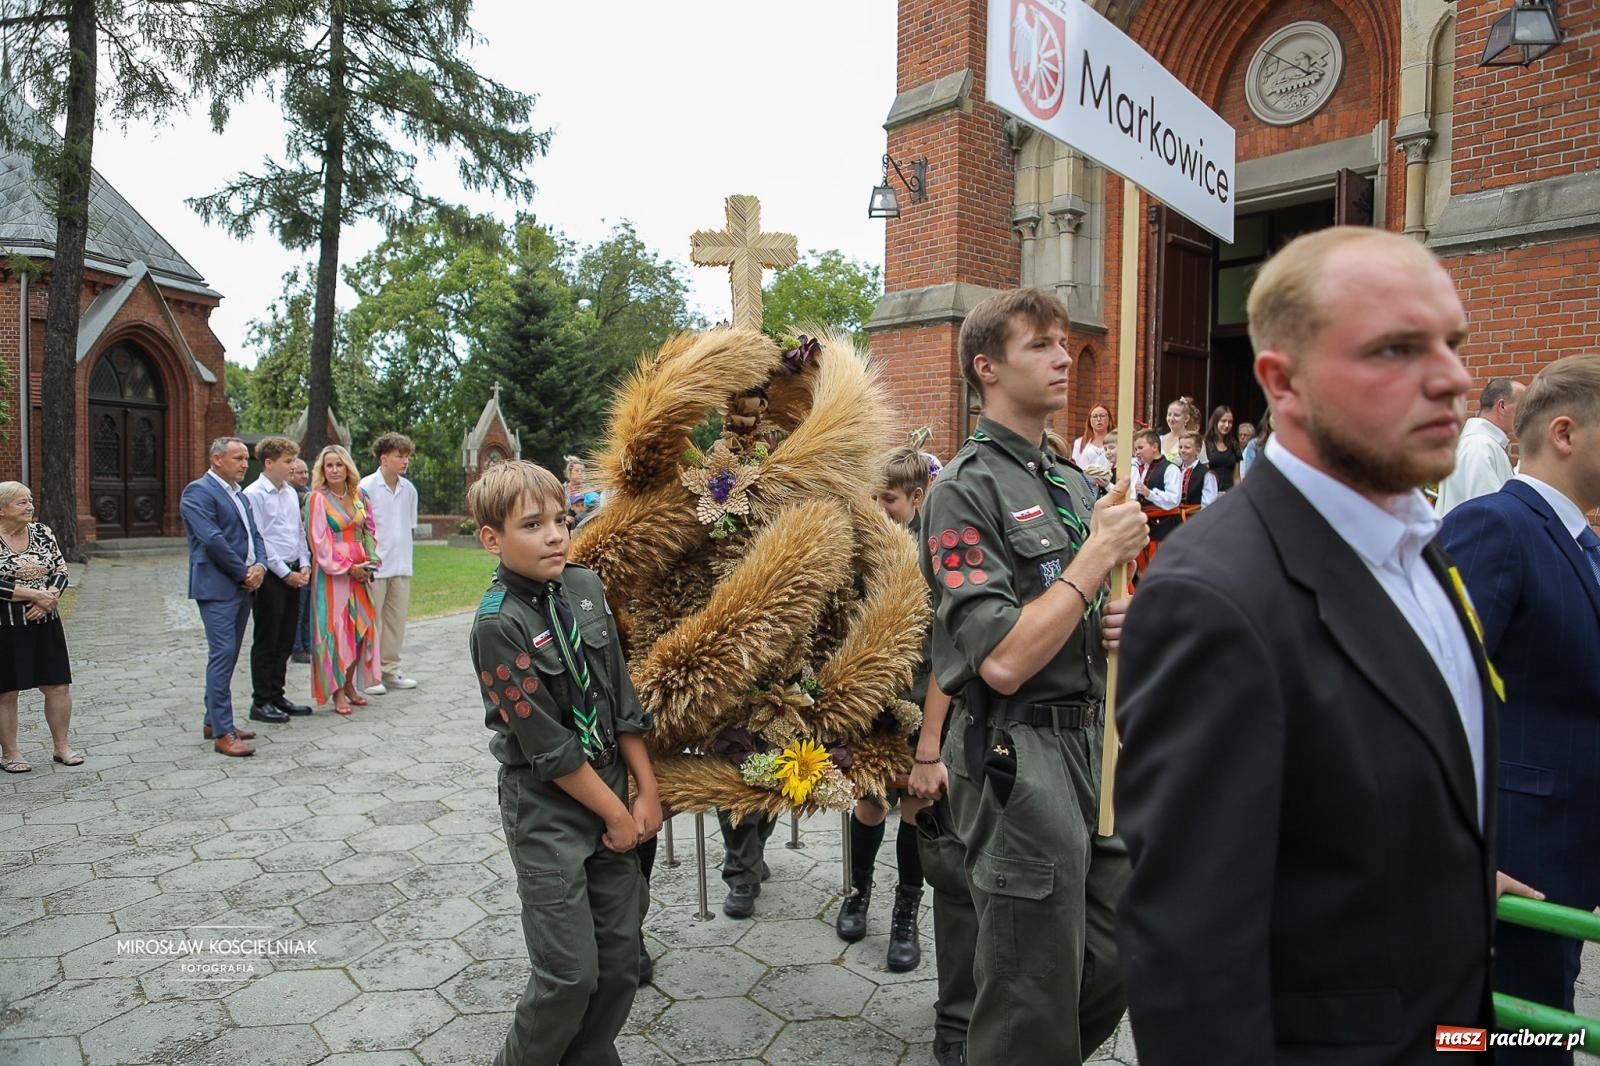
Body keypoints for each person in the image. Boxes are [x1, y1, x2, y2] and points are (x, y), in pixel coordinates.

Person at [1115, 227, 1499, 1064]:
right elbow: (1192, 964)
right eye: (1396, 349)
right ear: (1281, 382)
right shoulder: (1211, 600)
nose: (1454, 379)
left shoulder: (1422, 541)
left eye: (1452, 343)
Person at [919, 287, 1148, 1064]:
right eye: (1040, 344)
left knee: (1113, 956)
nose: (1063, 357)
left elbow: (1074, 612)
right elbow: (1005, 660)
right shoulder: (961, 490)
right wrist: (1094, 562)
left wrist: (1118, 619)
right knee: (1028, 995)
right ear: (986, 368)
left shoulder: (1070, 481)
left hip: (1097, 745)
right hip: (1020, 757)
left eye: (1064, 342)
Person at [466, 459, 660, 1066]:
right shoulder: (498, 624)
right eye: (532, 524)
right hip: (548, 804)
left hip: (609, 781)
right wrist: (617, 816)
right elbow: (548, 749)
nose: (555, 534)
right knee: (569, 974)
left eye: (560, 519)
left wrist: (646, 792)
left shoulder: (585, 587)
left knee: (621, 959)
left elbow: (621, 697)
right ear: (492, 540)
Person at [1440, 354, 1600, 1065]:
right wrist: (1468, 850)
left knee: (1542, 1033)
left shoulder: (1581, 542)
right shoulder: (1495, 526)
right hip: (1515, 858)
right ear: (1564, 433)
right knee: (1504, 1042)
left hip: (1565, 857)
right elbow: (1442, 693)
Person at [836, 447, 934, 972]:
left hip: (918, 696)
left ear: (917, 498)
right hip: (871, 700)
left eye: (889, 499)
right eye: (873, 497)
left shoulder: (931, 552)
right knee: (871, 802)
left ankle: (906, 914)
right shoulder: (865, 550)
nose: (879, 509)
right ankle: (857, 891)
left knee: (914, 805)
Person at [180, 437, 266, 758]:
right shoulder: (198, 492)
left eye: (246, 458)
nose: (245, 464)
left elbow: (254, 534)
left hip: (244, 584)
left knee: (229, 656)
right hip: (218, 586)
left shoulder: (239, 495)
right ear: (217, 459)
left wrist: (260, 565)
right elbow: (212, 540)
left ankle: (212, 721)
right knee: (222, 654)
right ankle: (223, 733)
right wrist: (243, 572)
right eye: (238, 458)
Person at [0, 482, 80, 771]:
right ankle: (11, 753)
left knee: (58, 685)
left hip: (45, 620)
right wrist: (35, 594)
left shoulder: (42, 532)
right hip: (5, 624)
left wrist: (50, 598)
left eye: (30, 500)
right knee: (6, 690)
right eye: (21, 502)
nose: (30, 506)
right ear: (1, 510)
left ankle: (62, 747)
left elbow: (60, 569)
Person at [242, 437, 313, 725]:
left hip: (295, 570)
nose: (293, 466)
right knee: (268, 638)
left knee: (285, 637)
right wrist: (286, 573)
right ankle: (261, 700)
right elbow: (260, 539)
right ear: (268, 462)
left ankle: (277, 694)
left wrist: (305, 564)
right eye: (287, 461)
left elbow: (297, 531)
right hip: (272, 575)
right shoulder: (254, 494)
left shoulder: (288, 493)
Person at [306, 445, 381, 716]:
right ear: (322, 470)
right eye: (329, 465)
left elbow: (369, 531)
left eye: (339, 464)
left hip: (362, 572)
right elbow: (319, 542)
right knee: (336, 630)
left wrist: (370, 563)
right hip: (334, 574)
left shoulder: (360, 495)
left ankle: (350, 685)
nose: (335, 470)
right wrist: (349, 568)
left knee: (360, 629)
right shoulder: (317, 499)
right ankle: (337, 692)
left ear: (347, 467)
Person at [360, 433, 421, 695]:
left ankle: (390, 668)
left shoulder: (409, 490)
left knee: (396, 621)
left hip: (401, 565)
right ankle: (369, 674)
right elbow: (360, 528)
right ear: (384, 458)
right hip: (375, 567)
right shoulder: (366, 487)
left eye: (407, 456)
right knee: (371, 621)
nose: (405, 461)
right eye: (400, 456)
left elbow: (409, 527)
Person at [1434, 376, 1526, 516]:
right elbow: (1489, 514)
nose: (1526, 413)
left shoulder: (1482, 445)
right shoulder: (1479, 447)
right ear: (1502, 406)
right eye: (1523, 406)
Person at [288, 458, 314, 665]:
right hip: (296, 559)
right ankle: (297, 647)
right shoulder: (291, 496)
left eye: (306, 472)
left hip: (309, 558)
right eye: (299, 472)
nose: (304, 476)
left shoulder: (309, 493)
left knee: (307, 607)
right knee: (298, 607)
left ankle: (307, 644)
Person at [1172, 430, 1218, 515]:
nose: (1182, 450)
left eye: (1187, 447)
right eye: (1180, 447)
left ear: (1198, 450)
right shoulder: (1174, 471)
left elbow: (1208, 505)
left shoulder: (1206, 474)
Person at [1203, 405, 1241, 491]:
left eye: (1230, 422)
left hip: (1229, 493)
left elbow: (1236, 476)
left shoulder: (1234, 444)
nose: (1227, 425)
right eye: (1223, 421)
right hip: (1211, 494)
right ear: (1215, 421)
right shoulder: (1205, 444)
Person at [1071, 404, 1113, 471]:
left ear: (1109, 419)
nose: (1099, 419)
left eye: (1102, 416)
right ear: (1089, 420)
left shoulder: (1117, 441)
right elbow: (1074, 466)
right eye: (1095, 416)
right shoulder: (1079, 442)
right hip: (1085, 480)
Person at [1158, 396, 1199, 460]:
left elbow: (1203, 467)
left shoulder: (1195, 440)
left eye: (1176, 415)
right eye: (1169, 414)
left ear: (1186, 418)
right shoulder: (1159, 439)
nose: (1171, 419)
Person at [1239, 409, 1270, 479]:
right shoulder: (1252, 446)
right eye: (1240, 435)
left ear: (1252, 436)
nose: (1242, 437)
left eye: (1245, 435)